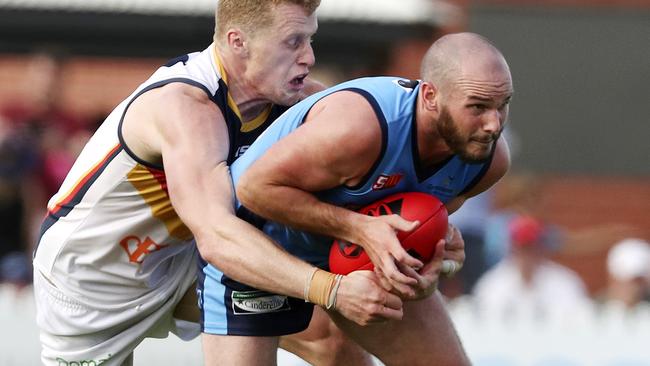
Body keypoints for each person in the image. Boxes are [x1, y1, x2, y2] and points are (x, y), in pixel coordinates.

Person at [33, 1, 400, 365]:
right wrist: (332, 290)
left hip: (180, 264)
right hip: (92, 280)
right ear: (237, 41)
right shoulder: (186, 106)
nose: (308, 57)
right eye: (293, 42)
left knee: (329, 339)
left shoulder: (290, 95)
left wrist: (425, 224)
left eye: (310, 40)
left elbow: (381, 151)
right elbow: (219, 238)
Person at [201, 32, 513, 365]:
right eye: (478, 107)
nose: (493, 125)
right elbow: (252, 190)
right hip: (257, 248)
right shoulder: (359, 128)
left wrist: (430, 259)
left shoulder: (488, 162)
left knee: (347, 354)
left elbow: (412, 223)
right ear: (431, 96)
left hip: (342, 256)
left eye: (503, 104)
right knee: (332, 347)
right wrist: (359, 229)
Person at [473, 215, 591, 323]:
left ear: (542, 248)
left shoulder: (565, 282)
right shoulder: (493, 284)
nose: (526, 255)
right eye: (521, 248)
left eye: (531, 248)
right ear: (512, 249)